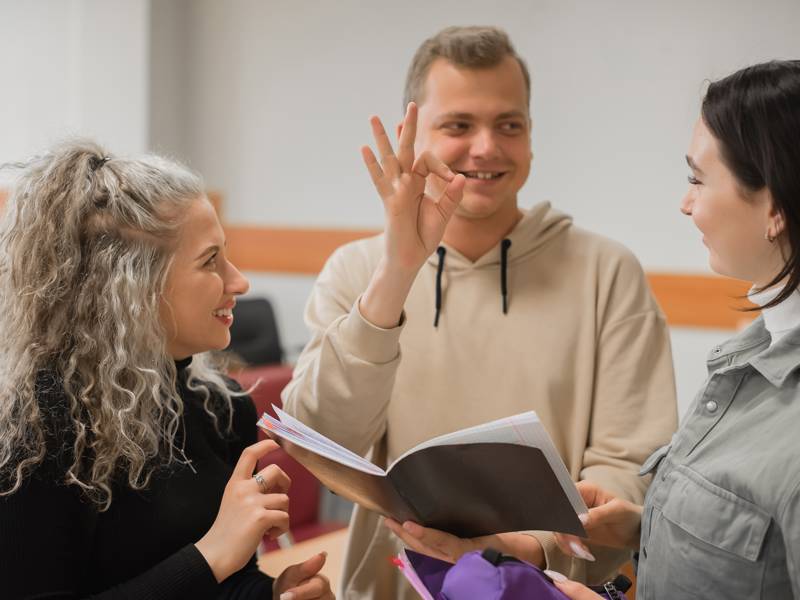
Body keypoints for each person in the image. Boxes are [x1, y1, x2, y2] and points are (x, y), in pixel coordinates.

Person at [282, 26, 677, 598]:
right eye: (459, 125)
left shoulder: (608, 272)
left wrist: (529, 548)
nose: (486, 147)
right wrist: (397, 273)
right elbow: (320, 441)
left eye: (509, 125)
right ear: (413, 138)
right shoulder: (359, 270)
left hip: (548, 588)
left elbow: (630, 465)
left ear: (531, 137)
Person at [0, 141, 334, 600]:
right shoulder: (37, 428)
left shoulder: (222, 407)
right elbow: (212, 566)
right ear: (134, 287)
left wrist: (273, 593)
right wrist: (212, 554)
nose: (239, 281)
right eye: (210, 261)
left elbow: (228, 582)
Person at [547, 60, 800, 600]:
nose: (685, 204)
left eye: (697, 179)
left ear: (775, 206)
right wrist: (648, 528)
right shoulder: (752, 353)